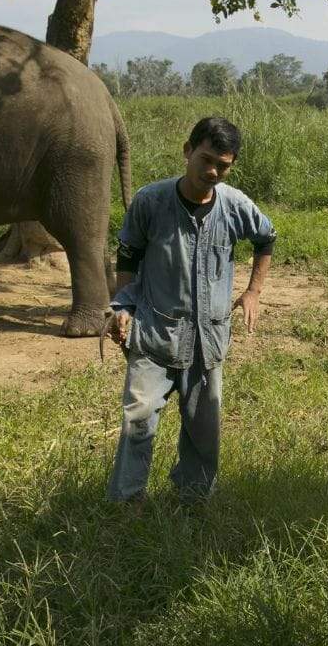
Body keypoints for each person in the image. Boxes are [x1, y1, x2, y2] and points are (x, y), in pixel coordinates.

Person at [104, 116, 276, 505]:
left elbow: (266, 238)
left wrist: (254, 291)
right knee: (139, 418)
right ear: (187, 151)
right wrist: (122, 306)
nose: (213, 171)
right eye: (206, 159)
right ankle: (127, 502)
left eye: (224, 165)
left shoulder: (235, 206)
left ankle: (194, 500)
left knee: (204, 428)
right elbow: (128, 254)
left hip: (209, 339)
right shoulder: (151, 201)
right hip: (155, 332)